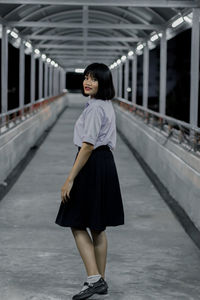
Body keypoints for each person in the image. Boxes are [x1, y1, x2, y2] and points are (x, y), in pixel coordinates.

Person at [55, 62, 124, 300]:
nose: (87, 81)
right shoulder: (104, 104)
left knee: (75, 221)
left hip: (92, 163)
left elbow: (87, 145)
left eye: (94, 79)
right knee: (98, 227)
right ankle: (99, 280)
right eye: (86, 77)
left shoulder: (95, 108)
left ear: (103, 82)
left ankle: (94, 279)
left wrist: (69, 179)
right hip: (105, 164)